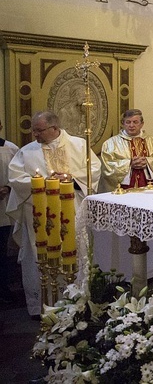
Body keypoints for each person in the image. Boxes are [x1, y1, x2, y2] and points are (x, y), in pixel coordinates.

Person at [6, 111, 101, 316]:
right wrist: (44, 184)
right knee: (39, 254)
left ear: (54, 128)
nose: (34, 135)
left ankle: (77, 300)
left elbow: (93, 170)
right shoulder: (26, 152)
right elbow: (15, 178)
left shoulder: (79, 145)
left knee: (75, 250)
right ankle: (41, 304)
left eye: (39, 130)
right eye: (33, 130)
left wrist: (69, 179)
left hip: (72, 209)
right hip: (39, 214)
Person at [100, 109, 153, 192]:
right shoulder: (110, 144)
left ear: (142, 124)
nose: (131, 125)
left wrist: (148, 162)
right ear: (123, 123)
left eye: (135, 122)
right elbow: (107, 167)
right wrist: (129, 164)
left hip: (150, 188)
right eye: (128, 122)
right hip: (123, 189)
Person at [0, 119, 19, 304]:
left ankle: (4, 288)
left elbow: (18, 174)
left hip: (3, 206)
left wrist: (7, 187)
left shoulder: (11, 149)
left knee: (2, 250)